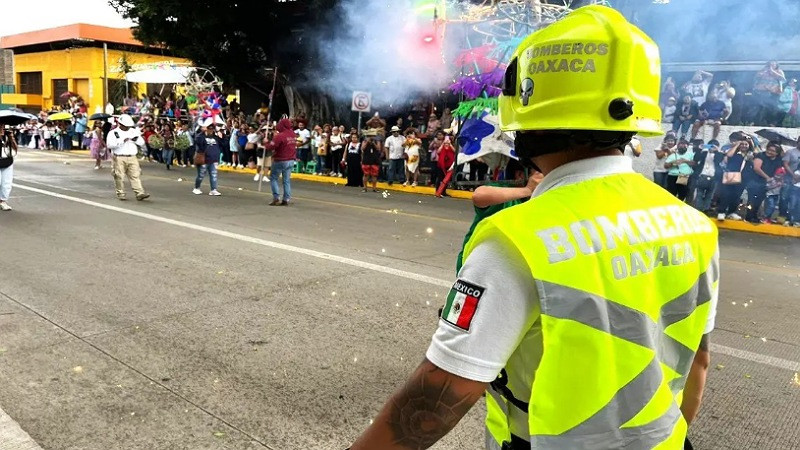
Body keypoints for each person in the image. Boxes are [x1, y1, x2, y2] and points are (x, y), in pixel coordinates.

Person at [349, 6, 718, 450]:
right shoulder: (694, 226)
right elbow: (698, 362)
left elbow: (437, 399)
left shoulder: (516, 240)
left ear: (528, 112)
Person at [106, 115, 150, 201]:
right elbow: (110, 145)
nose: (127, 128)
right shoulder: (113, 133)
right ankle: (120, 193)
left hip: (132, 156)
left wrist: (136, 140)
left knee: (135, 175)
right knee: (119, 176)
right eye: (126, 126)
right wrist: (122, 141)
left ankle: (139, 193)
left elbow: (141, 142)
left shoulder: (133, 131)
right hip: (119, 157)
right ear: (120, 124)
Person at [717, 135, 755, 221]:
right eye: (742, 144)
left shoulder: (750, 155)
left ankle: (732, 212)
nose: (744, 146)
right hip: (731, 176)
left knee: (736, 196)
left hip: (743, 178)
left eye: (746, 144)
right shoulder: (735, 153)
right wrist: (737, 144)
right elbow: (728, 155)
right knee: (726, 194)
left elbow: (756, 151)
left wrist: (751, 142)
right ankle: (721, 212)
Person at [744, 141, 783, 223]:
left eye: (773, 151)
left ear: (777, 153)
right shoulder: (761, 155)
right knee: (752, 200)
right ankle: (748, 216)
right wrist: (767, 177)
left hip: (766, 184)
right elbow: (756, 168)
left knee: (759, 201)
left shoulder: (778, 159)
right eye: (769, 149)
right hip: (755, 181)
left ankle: (754, 216)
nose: (769, 152)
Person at [265, 118, 297, 206]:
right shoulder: (293, 134)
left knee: (274, 178)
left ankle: (276, 198)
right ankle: (286, 199)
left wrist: (266, 143)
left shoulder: (280, 136)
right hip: (291, 159)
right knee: (286, 180)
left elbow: (271, 146)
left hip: (280, 159)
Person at [692, 140, 725, 214]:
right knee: (699, 193)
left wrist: (717, 151)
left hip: (713, 177)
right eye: (710, 145)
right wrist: (700, 149)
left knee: (710, 194)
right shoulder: (704, 152)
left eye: (714, 146)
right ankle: (699, 209)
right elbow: (696, 159)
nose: (712, 147)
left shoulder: (719, 154)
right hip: (702, 175)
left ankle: (705, 209)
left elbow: (718, 160)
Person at [749, 61, 786, 126]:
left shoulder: (779, 71)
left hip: (774, 93)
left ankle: (771, 122)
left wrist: (772, 71)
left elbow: (783, 79)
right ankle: (756, 122)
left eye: (773, 64)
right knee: (760, 106)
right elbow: (756, 77)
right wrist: (763, 73)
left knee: (772, 107)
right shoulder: (763, 71)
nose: (771, 65)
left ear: (776, 65)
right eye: (770, 64)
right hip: (762, 92)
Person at [193, 124, 222, 196]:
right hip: (204, 159)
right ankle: (196, 188)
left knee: (214, 175)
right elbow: (198, 142)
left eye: (212, 129)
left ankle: (213, 189)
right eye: (209, 129)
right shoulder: (201, 136)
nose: (210, 131)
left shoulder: (216, 137)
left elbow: (224, 143)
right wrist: (203, 133)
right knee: (201, 175)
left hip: (214, 159)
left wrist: (221, 135)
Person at [0, 124, 18, 211]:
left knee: (6, 182)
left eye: (3, 127)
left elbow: (15, 149)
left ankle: (2, 201)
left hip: (7, 161)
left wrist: (11, 138)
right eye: (0, 127)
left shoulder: (7, 137)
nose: (2, 129)